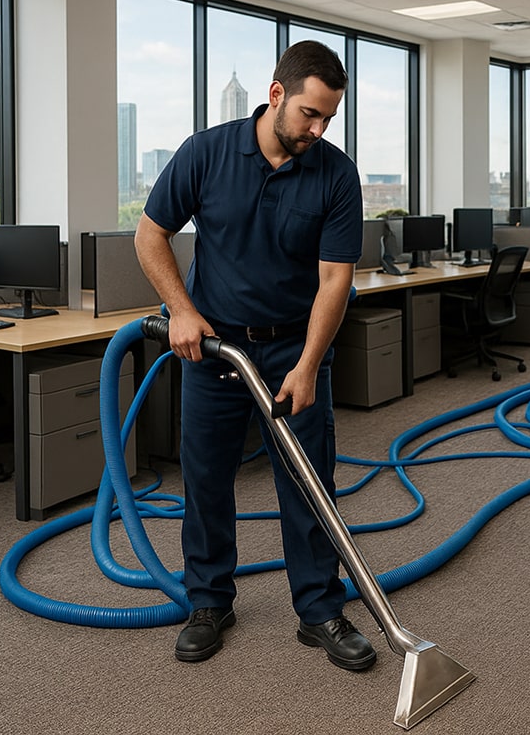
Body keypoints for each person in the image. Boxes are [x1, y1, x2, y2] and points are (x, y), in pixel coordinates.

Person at [134, 40, 375, 671]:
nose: (318, 129)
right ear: (276, 96)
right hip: (216, 350)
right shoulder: (207, 153)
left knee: (309, 482)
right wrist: (181, 310)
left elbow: (334, 280)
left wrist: (308, 364)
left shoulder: (335, 172)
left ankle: (319, 610)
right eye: (309, 115)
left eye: (328, 118)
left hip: (295, 347)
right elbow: (150, 233)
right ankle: (210, 603)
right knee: (207, 480)